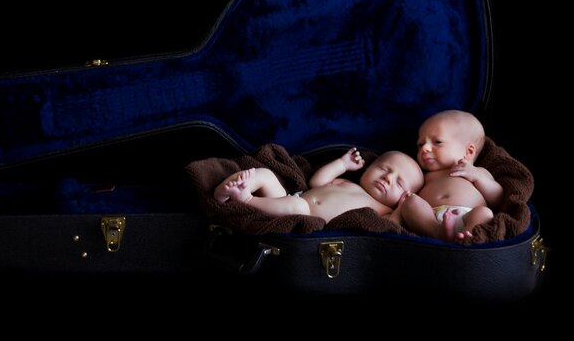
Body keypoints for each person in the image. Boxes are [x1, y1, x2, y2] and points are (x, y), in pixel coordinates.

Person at [214, 148, 424, 223]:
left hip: (302, 215)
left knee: (298, 207)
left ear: (404, 196)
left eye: (398, 182)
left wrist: (403, 209)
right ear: (368, 168)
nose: (388, 178)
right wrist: (342, 164)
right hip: (290, 198)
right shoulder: (347, 183)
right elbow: (316, 182)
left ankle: (247, 200)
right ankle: (224, 192)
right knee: (266, 175)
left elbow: (391, 227)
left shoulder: (385, 211)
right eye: (385, 169)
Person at [399, 109, 504, 242]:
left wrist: (478, 176)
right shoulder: (422, 174)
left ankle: (469, 235)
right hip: (430, 217)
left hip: (467, 216)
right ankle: (436, 231)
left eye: (437, 142)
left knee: (484, 213)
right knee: (410, 203)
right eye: (420, 144)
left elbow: (498, 198)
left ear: (469, 151)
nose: (425, 148)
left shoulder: (477, 172)